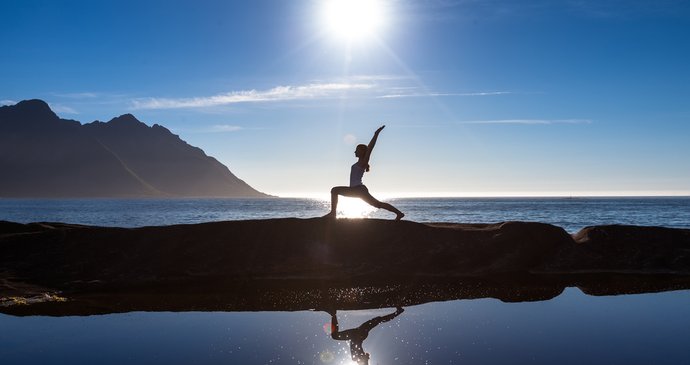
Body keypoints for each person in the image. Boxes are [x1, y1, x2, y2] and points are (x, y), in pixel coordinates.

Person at [325, 125, 404, 220]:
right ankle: (399, 213)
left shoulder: (363, 162)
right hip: (356, 190)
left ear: (362, 152)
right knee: (377, 204)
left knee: (335, 190)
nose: (355, 152)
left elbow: (370, 148)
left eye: (357, 150)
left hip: (358, 189)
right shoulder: (359, 163)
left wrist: (376, 134)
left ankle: (333, 213)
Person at [326, 307, 405, 365]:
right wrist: (365, 358)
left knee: (335, 336)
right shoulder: (358, 358)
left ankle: (333, 314)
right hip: (360, 334)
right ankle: (398, 312)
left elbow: (366, 356)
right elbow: (366, 358)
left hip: (355, 335)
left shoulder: (355, 358)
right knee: (378, 320)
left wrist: (365, 357)